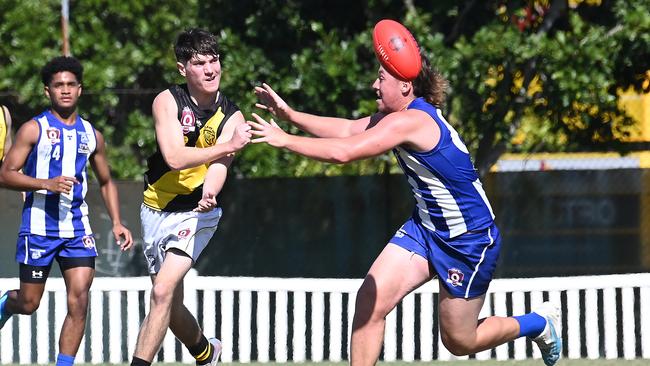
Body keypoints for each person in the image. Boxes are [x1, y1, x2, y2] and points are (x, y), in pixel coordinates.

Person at [249, 34, 562, 366]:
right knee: (369, 300)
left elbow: (344, 153)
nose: (374, 84)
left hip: (468, 240)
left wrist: (285, 141)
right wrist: (291, 115)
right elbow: (347, 131)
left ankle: (537, 323)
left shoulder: (411, 121)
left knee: (459, 340)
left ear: (405, 87)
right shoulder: (398, 117)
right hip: (426, 228)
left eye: (382, 78)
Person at [0, 56, 134, 366]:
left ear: (80, 89)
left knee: (80, 298)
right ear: (47, 91)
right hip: (38, 228)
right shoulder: (34, 129)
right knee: (30, 302)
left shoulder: (92, 135)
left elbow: (106, 181)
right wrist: (45, 183)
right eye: (58, 85)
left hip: (77, 230)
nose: (65, 90)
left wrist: (116, 221)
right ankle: (9, 302)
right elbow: (5, 174)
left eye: (70, 84)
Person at [129, 28, 251, 366]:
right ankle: (206, 353)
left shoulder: (232, 117)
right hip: (154, 209)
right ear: (182, 68)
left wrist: (210, 192)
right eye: (200, 63)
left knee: (161, 292)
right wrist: (228, 145)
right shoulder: (166, 101)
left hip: (197, 213)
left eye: (214, 60)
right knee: (170, 305)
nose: (211, 69)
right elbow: (174, 157)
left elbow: (219, 167)